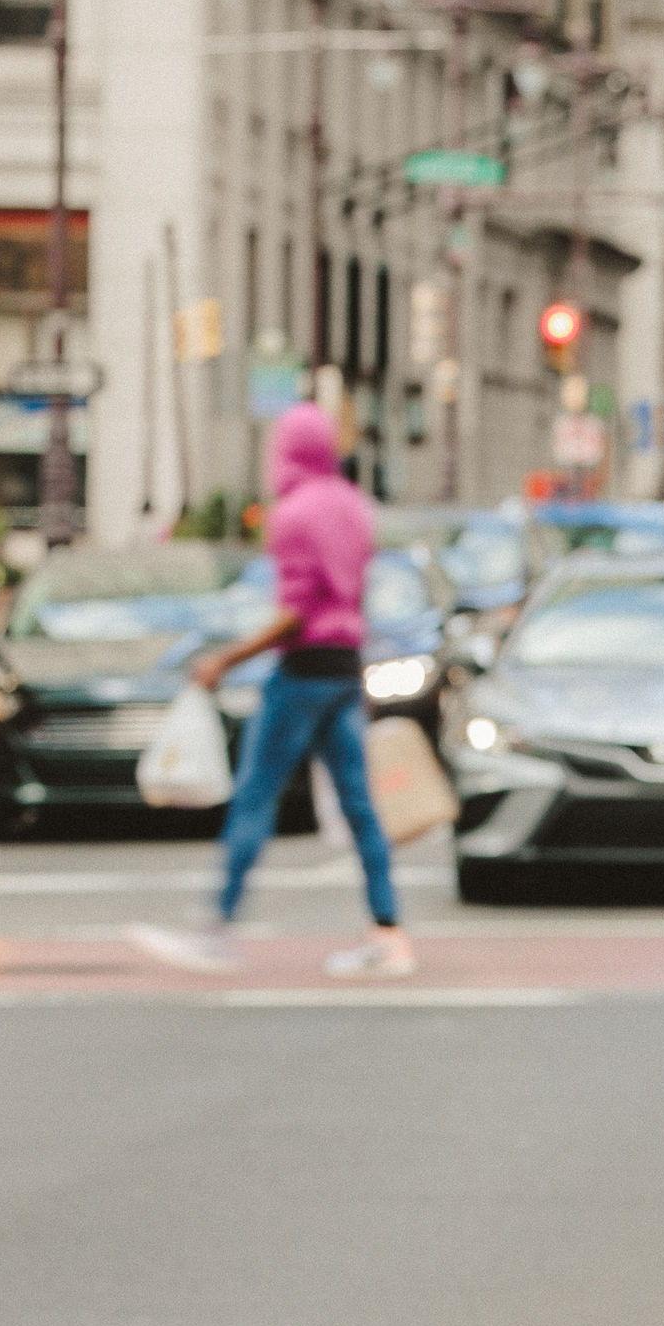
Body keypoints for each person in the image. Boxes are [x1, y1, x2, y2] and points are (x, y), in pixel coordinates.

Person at [160, 401, 413, 979]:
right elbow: (351, 595)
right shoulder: (354, 507)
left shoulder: (294, 514)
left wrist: (225, 658)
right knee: (359, 807)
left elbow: (294, 613)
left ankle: (218, 926)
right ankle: (388, 932)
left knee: (256, 795)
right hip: (346, 668)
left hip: (300, 673)